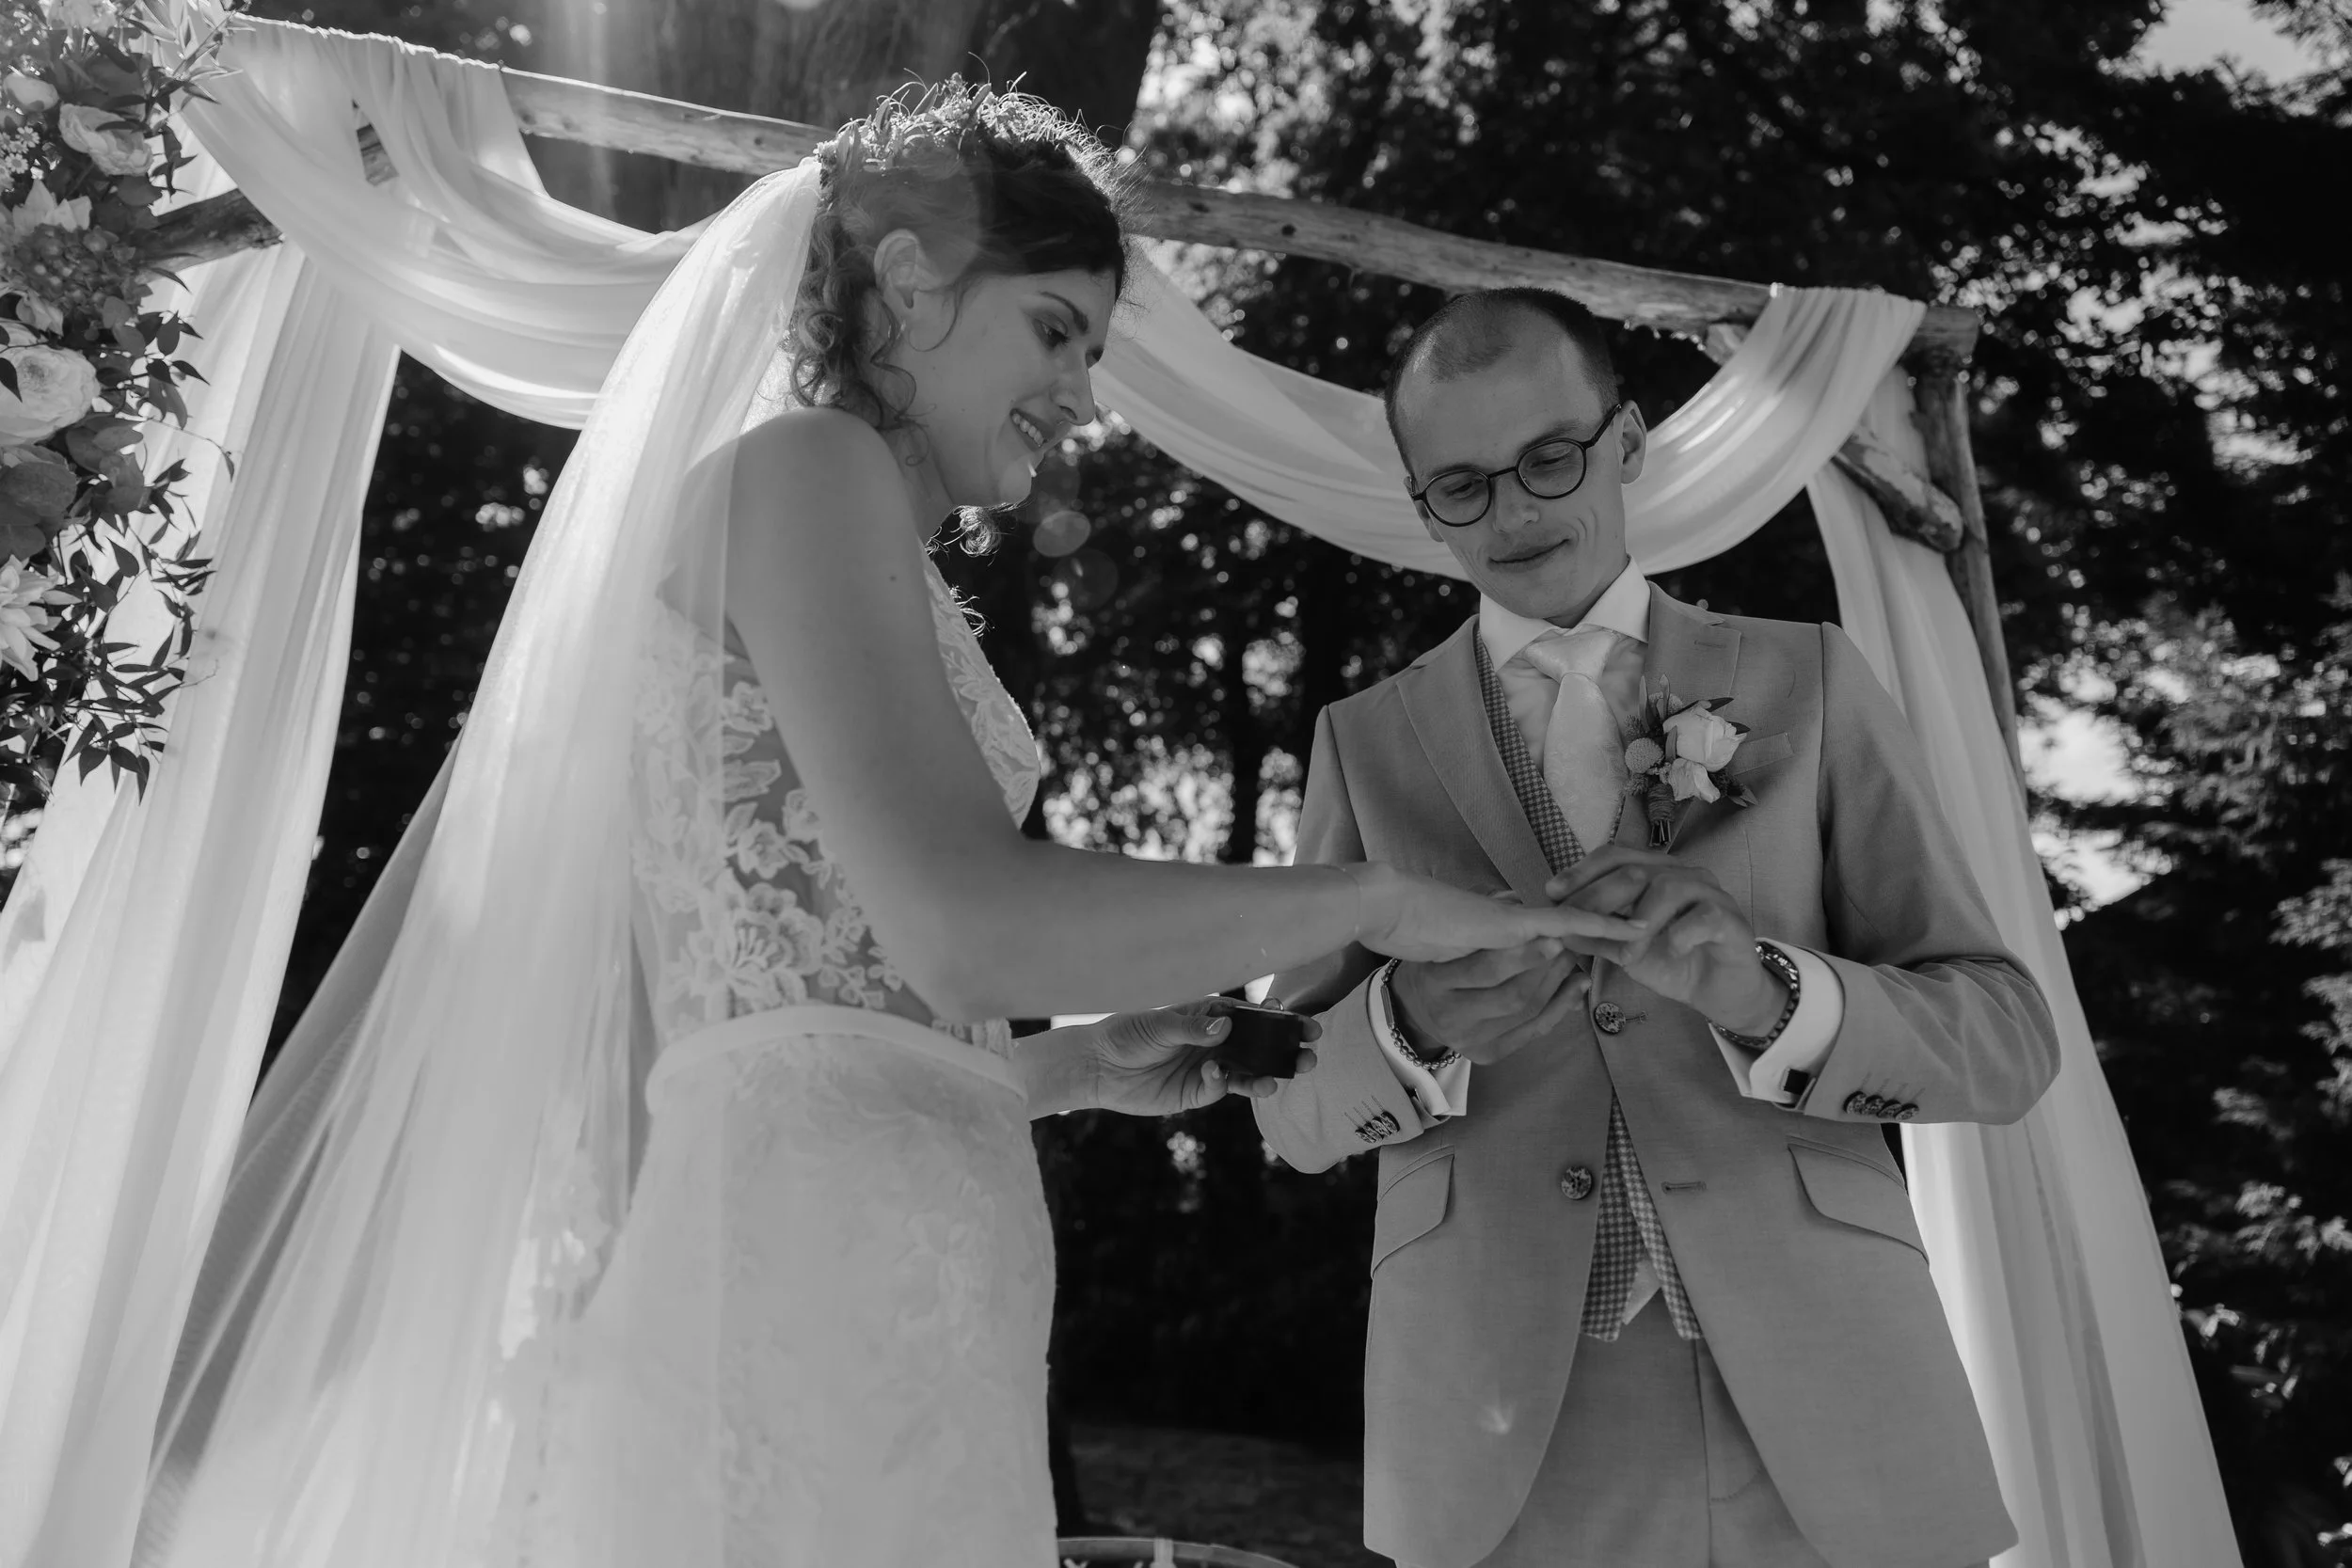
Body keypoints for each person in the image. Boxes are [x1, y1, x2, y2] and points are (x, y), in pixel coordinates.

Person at [131, 87, 1638, 1568]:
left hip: (888, 1266)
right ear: (912, 283)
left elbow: (775, 1014)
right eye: (1056, 329)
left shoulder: (848, 534)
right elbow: (966, 925)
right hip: (804, 1292)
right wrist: (1364, 900)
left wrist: (1064, 1071)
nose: (1086, 396)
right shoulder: (807, 467)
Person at [1252, 288, 2063, 1568]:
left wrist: (1775, 996)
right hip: (1503, 1418)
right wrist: (1407, 1031)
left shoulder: (1809, 677)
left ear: (1627, 439)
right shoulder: (1363, 743)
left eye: (1550, 457)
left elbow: (2010, 1040)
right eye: (1462, 483)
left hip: (1830, 1393)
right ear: (1420, 505)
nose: (1514, 511)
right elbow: (1285, 1106)